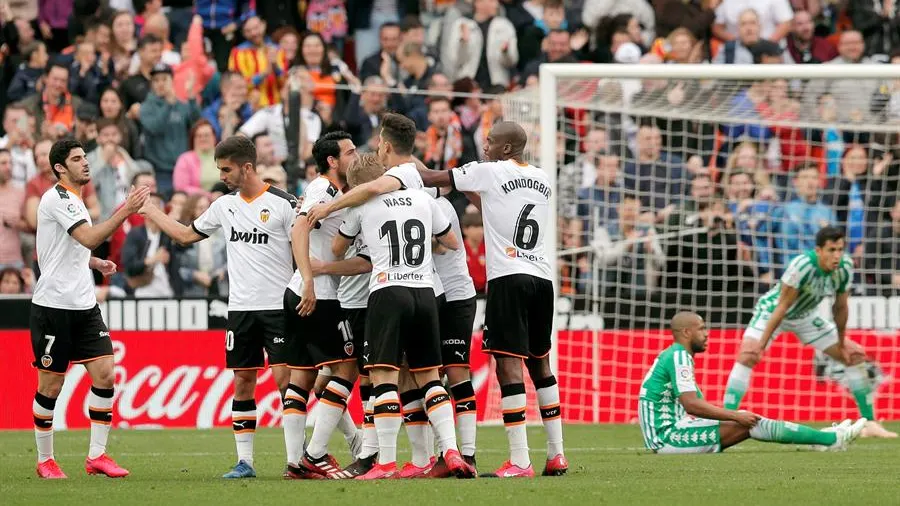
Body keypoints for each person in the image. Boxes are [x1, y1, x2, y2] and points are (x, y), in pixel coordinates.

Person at [306, 119, 566, 478]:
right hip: (509, 280)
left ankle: (467, 456)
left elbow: (343, 246)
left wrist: (338, 211)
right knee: (433, 374)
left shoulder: (393, 195)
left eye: (489, 141)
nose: (484, 145)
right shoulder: (540, 178)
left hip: (443, 289)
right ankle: (543, 454)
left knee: (400, 376)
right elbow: (456, 228)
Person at [138, 136, 299, 478]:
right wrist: (151, 210)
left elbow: (301, 255)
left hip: (278, 307)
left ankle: (298, 460)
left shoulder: (285, 204)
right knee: (243, 381)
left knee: (288, 383)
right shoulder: (225, 205)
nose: (222, 176)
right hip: (240, 309)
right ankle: (245, 462)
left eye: (227, 169)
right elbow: (184, 236)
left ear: (247, 167)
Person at [332, 129, 474, 481]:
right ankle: (452, 450)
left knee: (384, 377)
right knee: (429, 375)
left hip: (387, 291)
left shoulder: (361, 204)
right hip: (425, 291)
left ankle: (385, 463)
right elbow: (452, 242)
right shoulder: (422, 200)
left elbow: (337, 250)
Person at [30, 139, 151, 479]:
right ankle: (45, 460)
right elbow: (87, 236)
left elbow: (68, 247)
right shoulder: (56, 198)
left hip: (84, 304)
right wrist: (125, 210)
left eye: (85, 157)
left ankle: (97, 455)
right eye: (77, 159)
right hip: (54, 306)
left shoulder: (77, 200)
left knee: (105, 374)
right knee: (50, 387)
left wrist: (93, 262)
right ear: (59, 167)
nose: (85, 163)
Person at [722, 227, 898, 438]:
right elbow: (782, 307)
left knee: (854, 354)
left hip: (805, 316)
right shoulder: (802, 265)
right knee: (748, 354)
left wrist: (841, 343)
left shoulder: (845, 267)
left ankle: (869, 423)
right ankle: (727, 419)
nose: (837, 256)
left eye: (840, 249)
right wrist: (761, 344)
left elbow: (840, 307)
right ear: (818, 250)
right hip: (773, 312)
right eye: (831, 250)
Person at [639, 311, 865, 453]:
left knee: (747, 421)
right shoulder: (678, 356)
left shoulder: (675, 355)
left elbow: (694, 404)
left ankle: (823, 439)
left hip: (671, 432)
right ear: (686, 333)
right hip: (667, 438)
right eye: (702, 329)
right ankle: (830, 439)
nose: (707, 334)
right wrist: (735, 415)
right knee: (748, 423)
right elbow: (692, 405)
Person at [282, 131, 361, 480]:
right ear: (332, 161)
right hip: (317, 294)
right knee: (347, 368)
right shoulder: (322, 189)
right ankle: (315, 455)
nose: (355, 157)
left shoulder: (334, 194)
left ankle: (295, 463)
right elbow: (298, 230)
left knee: (302, 378)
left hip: (300, 290)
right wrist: (310, 280)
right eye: (350, 152)